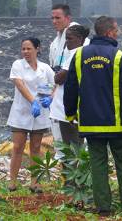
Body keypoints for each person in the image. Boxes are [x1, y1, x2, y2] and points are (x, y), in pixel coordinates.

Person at [64, 16, 122, 215]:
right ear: (109, 32)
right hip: (117, 124)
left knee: (98, 166)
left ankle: (103, 208)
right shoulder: (118, 57)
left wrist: (70, 114)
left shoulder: (80, 55)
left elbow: (71, 87)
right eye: (116, 29)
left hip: (91, 124)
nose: (118, 33)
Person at [7, 37, 55, 191]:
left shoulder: (45, 68)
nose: (26, 52)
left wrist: (50, 98)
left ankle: (35, 182)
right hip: (21, 112)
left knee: (36, 147)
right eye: (23, 49)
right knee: (18, 147)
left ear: (37, 49)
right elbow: (20, 85)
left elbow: (55, 84)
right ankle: (12, 182)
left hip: (40, 113)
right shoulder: (18, 65)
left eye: (29, 49)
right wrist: (33, 101)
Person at [50, 23, 90, 151]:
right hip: (71, 108)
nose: (67, 42)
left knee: (71, 148)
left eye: (70, 38)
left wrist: (56, 75)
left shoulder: (76, 53)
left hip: (66, 109)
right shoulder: (78, 53)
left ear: (81, 39)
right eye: (66, 38)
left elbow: (60, 78)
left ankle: (72, 171)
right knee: (74, 147)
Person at [48, 5, 79, 151]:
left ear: (68, 18)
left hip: (72, 97)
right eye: (52, 18)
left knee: (74, 145)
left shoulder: (75, 35)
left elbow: (68, 69)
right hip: (58, 98)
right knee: (61, 144)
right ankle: (65, 173)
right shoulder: (56, 42)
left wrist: (58, 78)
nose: (54, 21)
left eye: (58, 18)